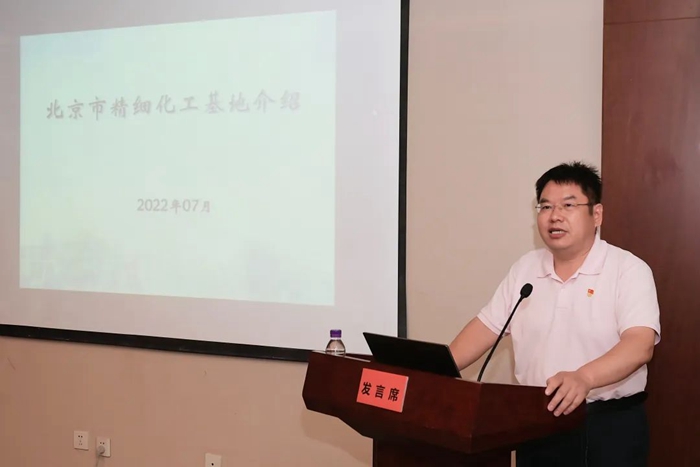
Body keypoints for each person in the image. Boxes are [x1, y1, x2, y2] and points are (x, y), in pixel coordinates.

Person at [449, 161, 660, 467]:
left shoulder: (627, 269)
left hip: (607, 427)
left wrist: (584, 377)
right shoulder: (525, 269)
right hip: (535, 423)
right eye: (545, 206)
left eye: (568, 205)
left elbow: (640, 344)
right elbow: (486, 327)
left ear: (596, 214)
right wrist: (437, 369)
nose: (554, 215)